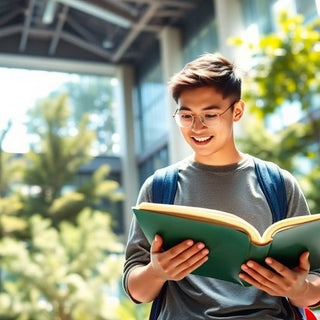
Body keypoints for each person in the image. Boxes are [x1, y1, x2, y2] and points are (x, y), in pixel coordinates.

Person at [122, 53, 320, 319]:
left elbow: (316, 283)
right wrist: (157, 272)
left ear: (237, 111)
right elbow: (136, 289)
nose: (197, 127)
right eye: (186, 115)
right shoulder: (159, 188)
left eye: (210, 114)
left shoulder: (278, 184)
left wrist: (299, 288)